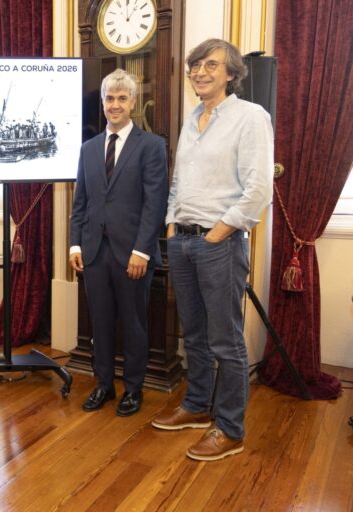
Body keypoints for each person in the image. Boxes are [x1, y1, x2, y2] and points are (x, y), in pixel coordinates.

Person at [151, 39, 273, 461]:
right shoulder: (192, 118)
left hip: (217, 243)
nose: (200, 72)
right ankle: (198, 407)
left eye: (210, 65)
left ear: (230, 73)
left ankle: (230, 429)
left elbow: (258, 189)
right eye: (195, 66)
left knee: (226, 340)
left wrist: (218, 232)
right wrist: (171, 225)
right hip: (182, 240)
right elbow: (179, 180)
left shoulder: (250, 117)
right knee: (195, 335)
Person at [69, 69, 168, 417]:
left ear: (133, 103)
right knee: (100, 321)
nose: (115, 105)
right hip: (94, 252)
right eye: (109, 98)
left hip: (133, 255)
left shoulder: (152, 146)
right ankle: (104, 385)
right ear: (103, 102)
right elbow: (80, 201)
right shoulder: (88, 148)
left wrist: (143, 250)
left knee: (133, 323)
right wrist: (74, 245)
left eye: (122, 98)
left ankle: (134, 389)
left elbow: (155, 204)